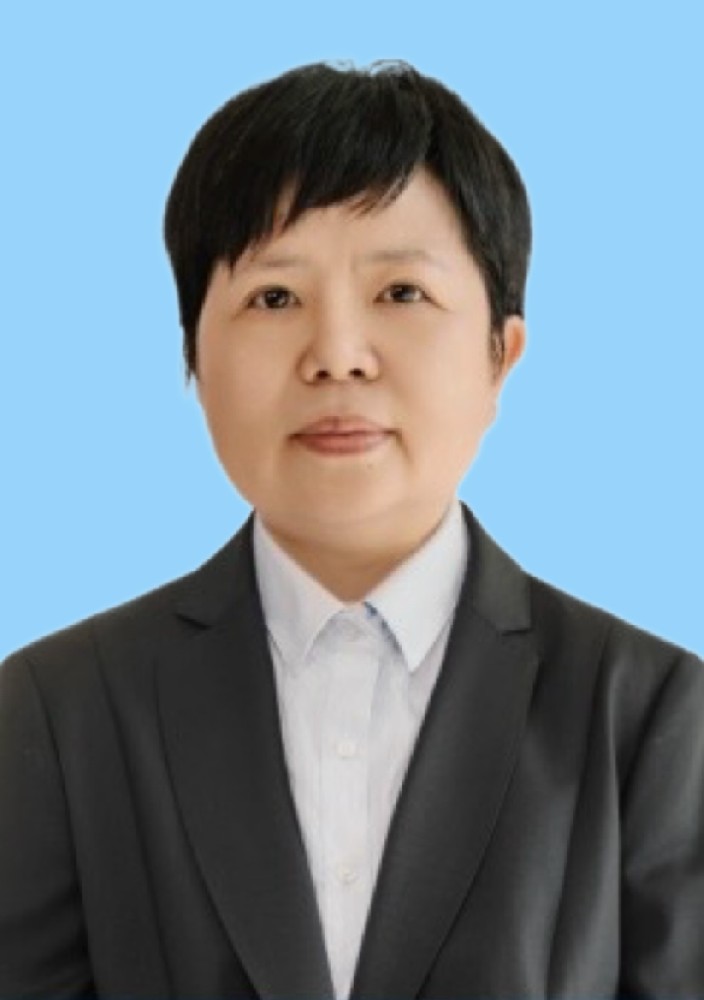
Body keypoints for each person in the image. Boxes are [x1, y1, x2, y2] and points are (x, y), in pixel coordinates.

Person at [0, 59, 702, 1000]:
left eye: (401, 292)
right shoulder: (59, 712)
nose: (336, 356)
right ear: (193, 356)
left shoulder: (648, 715)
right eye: (274, 297)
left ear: (501, 355)